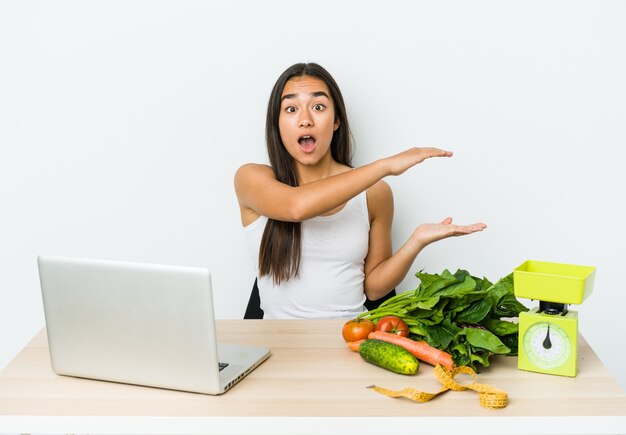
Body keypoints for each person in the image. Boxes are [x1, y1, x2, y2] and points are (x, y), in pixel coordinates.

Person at [234, 62, 486, 319]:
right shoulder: (252, 178)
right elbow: (296, 207)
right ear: (277, 124)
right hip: (276, 346)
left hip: (349, 339)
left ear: (336, 121)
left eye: (318, 107)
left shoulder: (375, 193)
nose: (306, 120)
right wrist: (385, 166)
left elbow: (374, 289)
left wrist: (416, 241)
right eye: (291, 109)